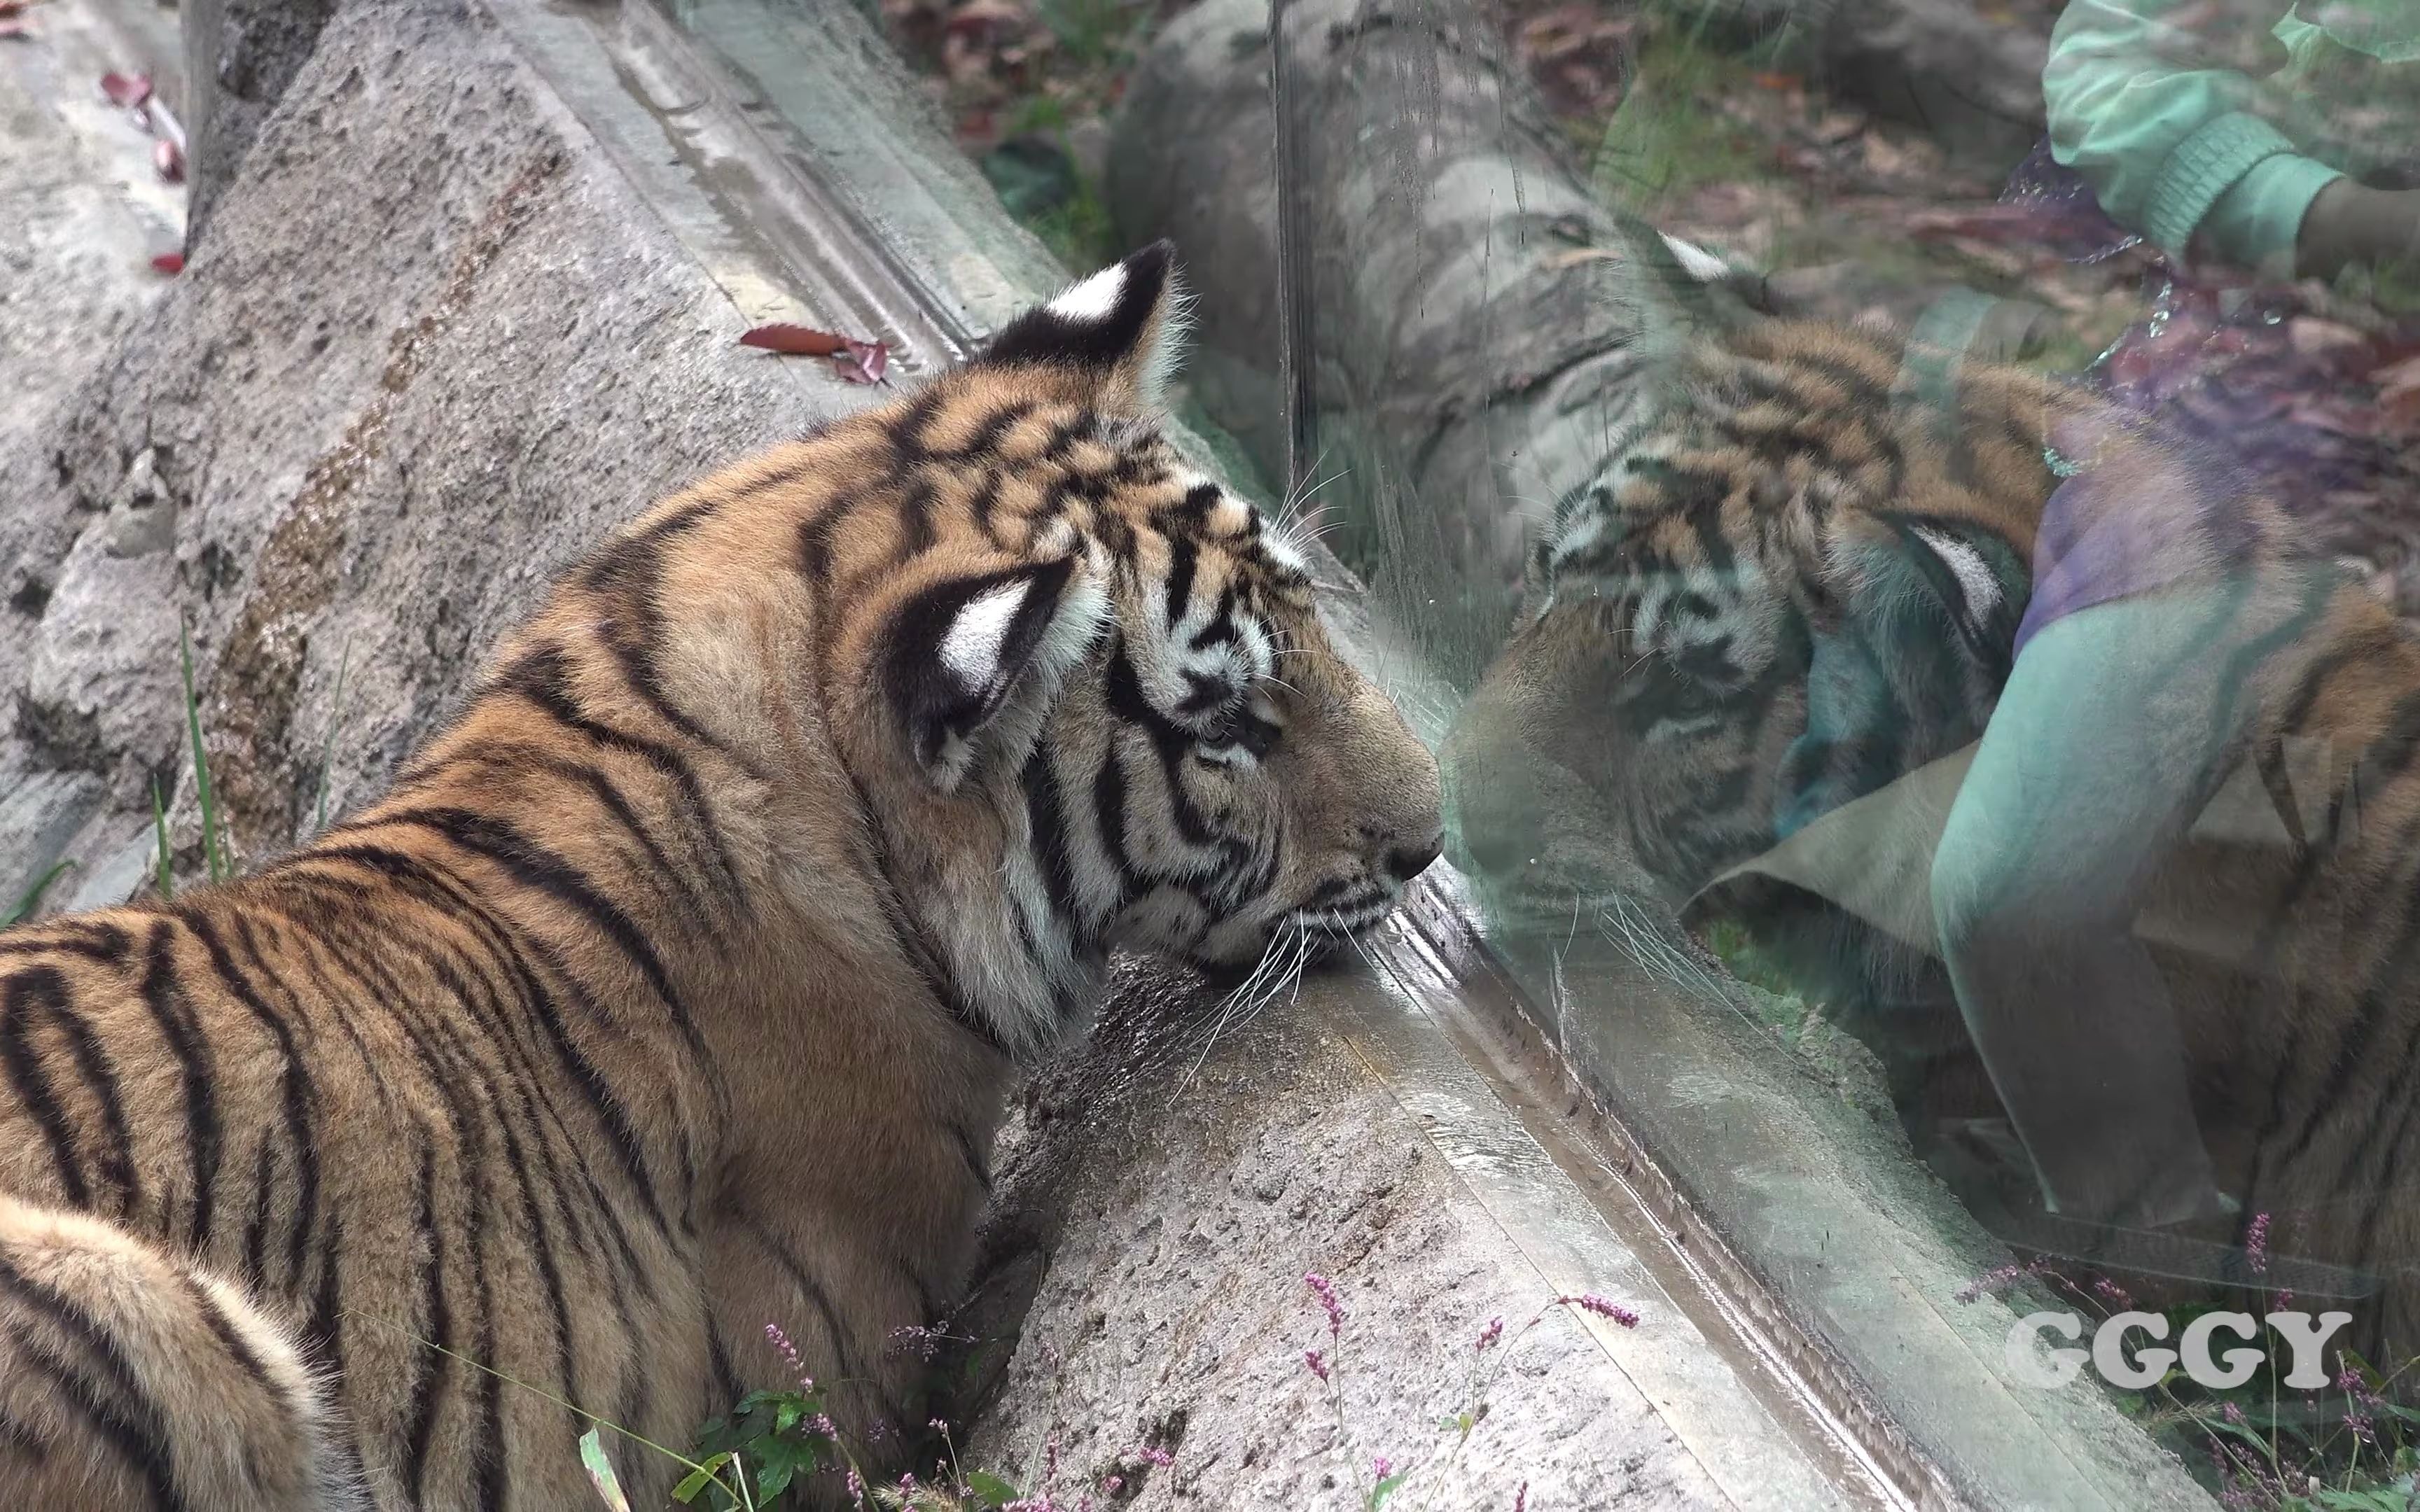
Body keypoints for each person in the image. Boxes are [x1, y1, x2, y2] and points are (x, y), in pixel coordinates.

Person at [1924, 0, 2420, 1260]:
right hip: (2237, 432)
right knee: (2014, 893)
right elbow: (2111, 48)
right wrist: (2310, 213)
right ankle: (2154, 1253)